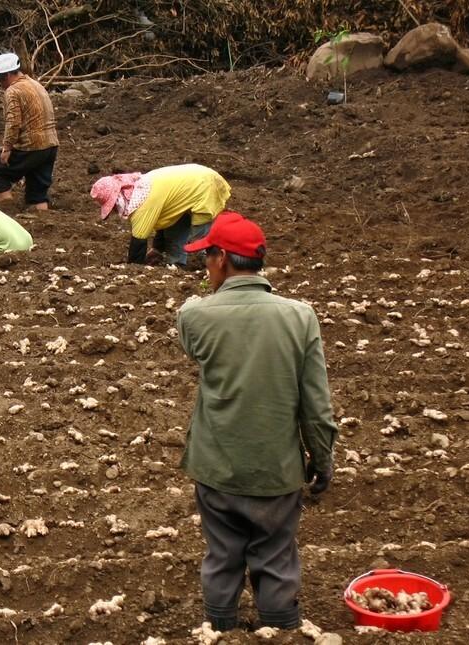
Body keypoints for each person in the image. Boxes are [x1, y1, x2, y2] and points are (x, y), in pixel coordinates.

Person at [175, 211, 338, 631]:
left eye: (207, 256)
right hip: (276, 471)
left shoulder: (196, 316)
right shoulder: (301, 317)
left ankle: (220, 630)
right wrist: (321, 461)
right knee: (276, 555)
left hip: (217, 468)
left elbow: (190, 322)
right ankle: (280, 628)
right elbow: (316, 406)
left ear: (223, 259)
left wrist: (200, 300)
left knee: (223, 554)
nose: (205, 265)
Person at [90, 164, 231, 267]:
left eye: (112, 206)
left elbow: (138, 242)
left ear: (117, 199)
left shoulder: (142, 205)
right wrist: (157, 249)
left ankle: (215, 265)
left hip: (204, 185)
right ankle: (177, 265)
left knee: (200, 239)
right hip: (192, 183)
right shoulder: (140, 187)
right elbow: (165, 218)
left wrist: (133, 269)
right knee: (173, 230)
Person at [0, 53, 58, 211]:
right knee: (37, 190)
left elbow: (13, 122)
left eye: (0, 79)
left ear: (9, 74)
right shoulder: (35, 84)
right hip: (50, 146)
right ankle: (43, 221)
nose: (0, 83)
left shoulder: (13, 91)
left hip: (31, 145)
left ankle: (8, 213)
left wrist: (7, 148)